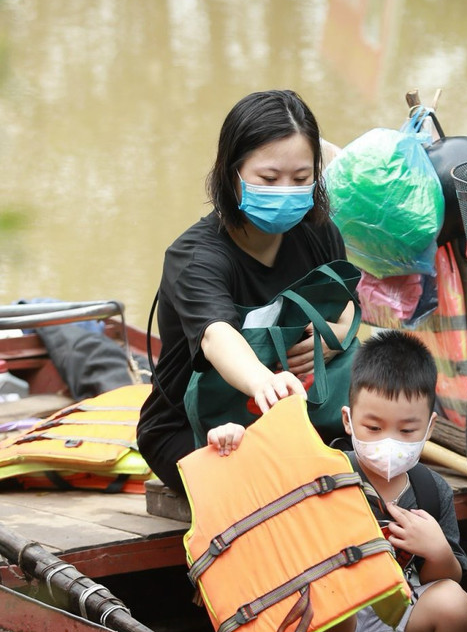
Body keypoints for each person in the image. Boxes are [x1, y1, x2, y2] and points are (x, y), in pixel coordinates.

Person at [205, 331, 467, 632]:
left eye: (407, 430)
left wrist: (436, 549)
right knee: (332, 597)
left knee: (455, 603)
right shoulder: (324, 469)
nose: (388, 442)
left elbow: (448, 577)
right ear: (348, 420)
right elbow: (262, 475)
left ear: (430, 428)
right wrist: (235, 440)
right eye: (373, 427)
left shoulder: (429, 487)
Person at [137, 89, 356, 496]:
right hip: (195, 430)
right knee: (280, 490)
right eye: (269, 179)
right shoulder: (196, 257)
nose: (287, 191)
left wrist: (334, 339)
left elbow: (345, 310)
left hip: (292, 420)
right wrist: (262, 382)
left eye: (302, 178)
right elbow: (217, 335)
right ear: (231, 173)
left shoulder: (318, 233)